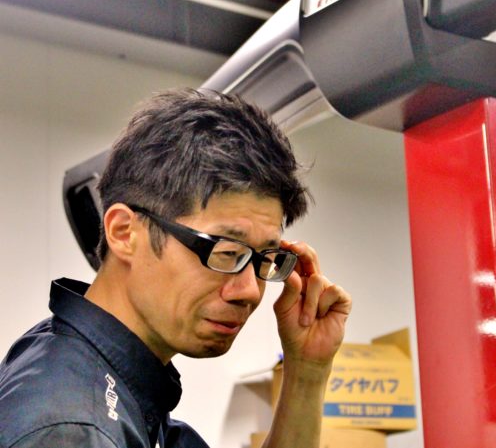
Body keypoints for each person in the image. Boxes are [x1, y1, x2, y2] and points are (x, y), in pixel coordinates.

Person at [0, 88, 352, 448]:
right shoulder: (75, 429)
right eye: (226, 252)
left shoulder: (94, 367)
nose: (249, 291)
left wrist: (306, 372)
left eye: (265, 258)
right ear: (124, 232)